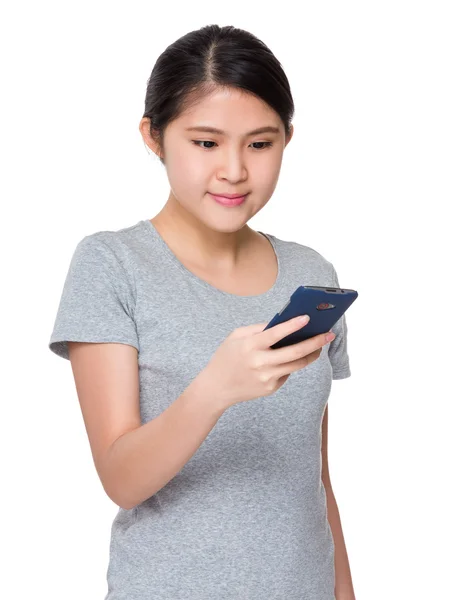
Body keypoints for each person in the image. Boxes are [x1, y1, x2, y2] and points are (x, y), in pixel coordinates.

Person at [48, 24, 355, 600]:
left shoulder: (311, 274)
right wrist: (215, 387)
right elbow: (122, 479)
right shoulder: (112, 264)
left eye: (260, 144)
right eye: (206, 143)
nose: (235, 171)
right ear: (154, 136)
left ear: (287, 139)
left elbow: (313, 475)